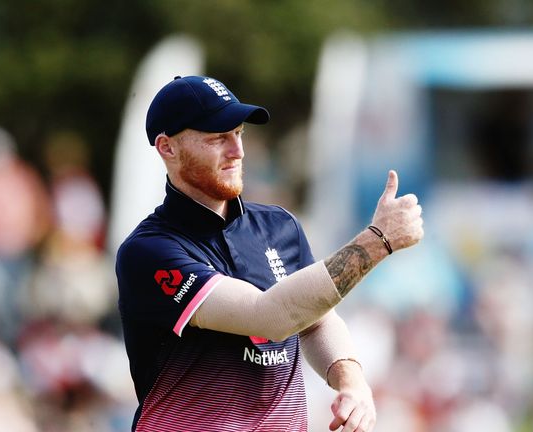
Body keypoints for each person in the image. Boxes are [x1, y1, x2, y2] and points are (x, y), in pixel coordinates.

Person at [115, 75, 424, 432]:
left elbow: (317, 319)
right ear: (167, 147)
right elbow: (270, 318)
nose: (237, 151)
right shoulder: (149, 251)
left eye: (238, 133)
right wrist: (377, 241)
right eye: (218, 138)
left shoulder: (280, 226)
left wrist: (351, 382)